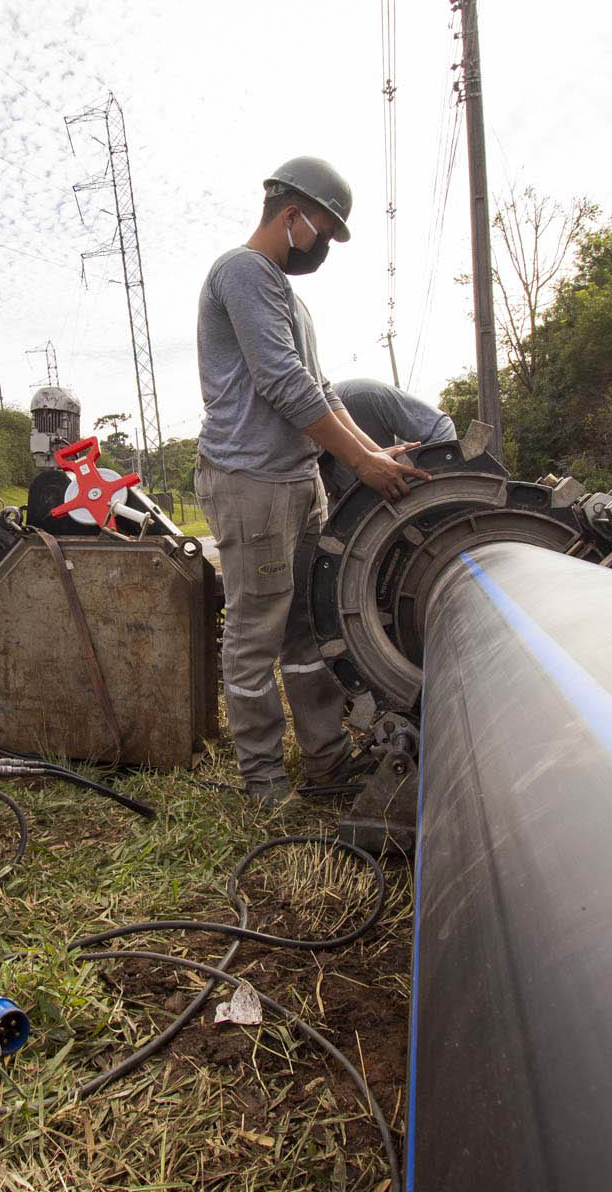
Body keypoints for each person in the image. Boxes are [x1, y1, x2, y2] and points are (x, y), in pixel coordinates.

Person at [195, 157, 430, 806]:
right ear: (292, 216)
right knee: (255, 632)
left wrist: (370, 450)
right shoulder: (241, 273)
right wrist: (360, 463)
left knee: (305, 627)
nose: (324, 246)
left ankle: (325, 761)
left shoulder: (288, 296)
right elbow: (281, 383)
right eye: (324, 231)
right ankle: (264, 782)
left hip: (298, 481)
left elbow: (319, 388)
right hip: (252, 484)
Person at [320, 377, 458, 505]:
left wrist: (430, 491)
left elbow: (439, 427)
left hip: (415, 494)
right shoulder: (306, 464)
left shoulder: (363, 396)